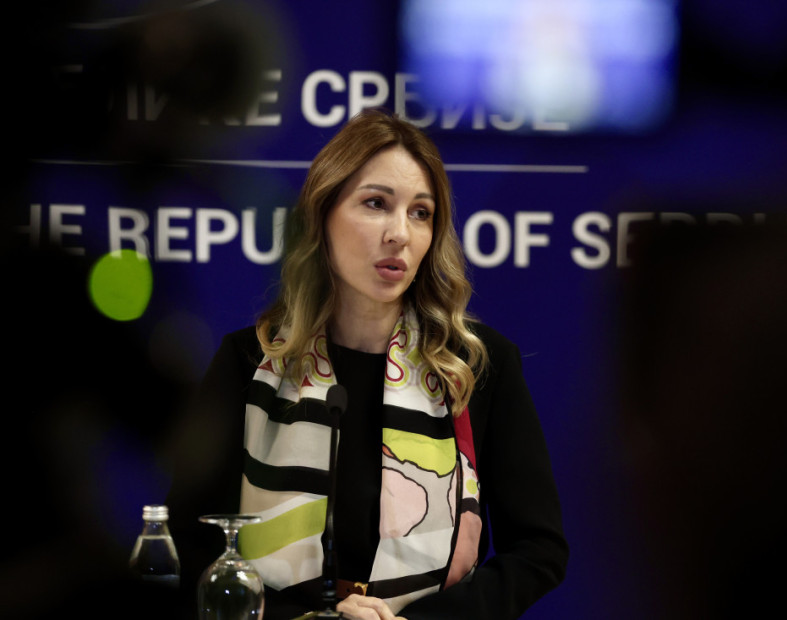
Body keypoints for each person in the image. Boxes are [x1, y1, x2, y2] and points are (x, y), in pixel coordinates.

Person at [168, 108, 568, 620]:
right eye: (376, 204)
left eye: (420, 213)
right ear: (322, 214)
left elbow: (538, 550)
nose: (400, 233)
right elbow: (186, 545)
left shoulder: (474, 367)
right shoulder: (248, 363)